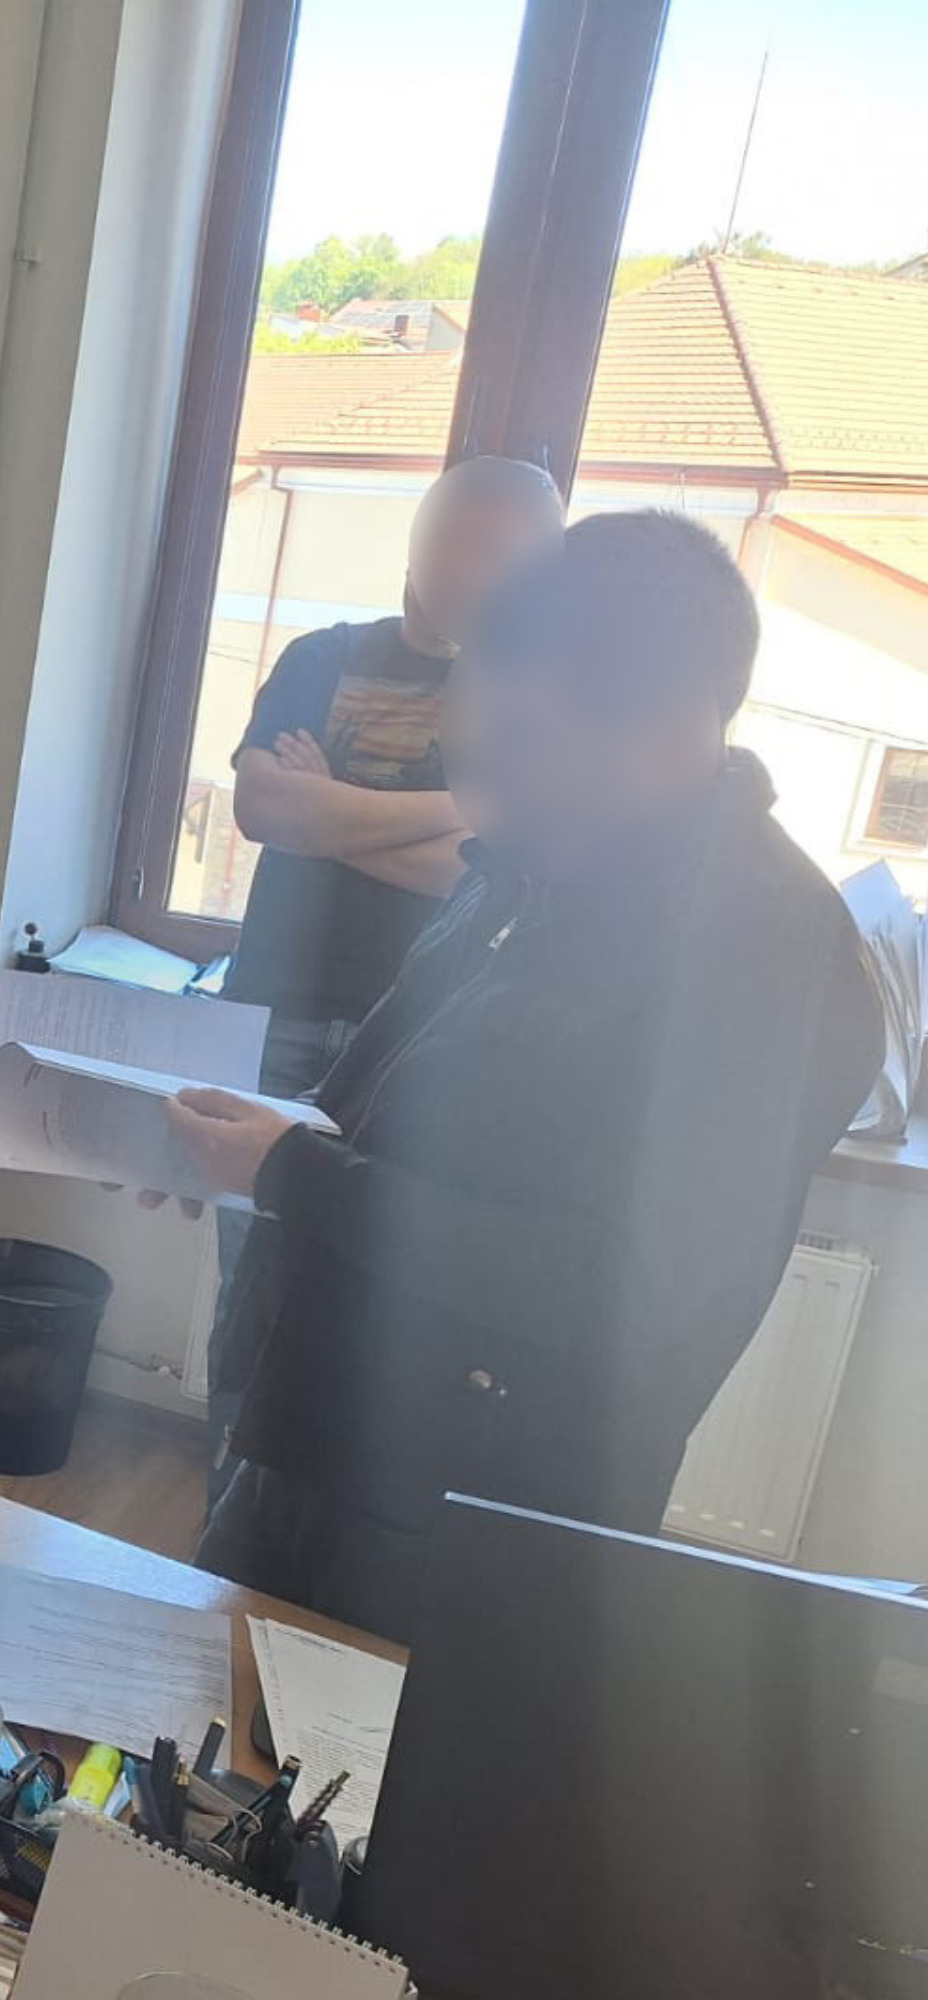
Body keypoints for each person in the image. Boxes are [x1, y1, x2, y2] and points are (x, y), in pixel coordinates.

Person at [171, 512, 882, 1644]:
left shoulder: (773, 954)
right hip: (319, 1426)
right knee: (198, 1706)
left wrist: (292, 1171)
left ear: (667, 723)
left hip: (474, 1513)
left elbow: (624, 1295)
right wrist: (242, 1143)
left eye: (526, 741)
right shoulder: (541, 858)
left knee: (358, 1753)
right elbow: (381, 1107)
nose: (492, 781)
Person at [203, 454, 566, 1494]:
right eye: (458, 535)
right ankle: (224, 1515)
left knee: (365, 1302)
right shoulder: (324, 656)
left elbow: (481, 868)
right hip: (270, 1018)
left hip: (415, 1045)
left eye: (504, 551)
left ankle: (297, 1527)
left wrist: (330, 815)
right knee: (247, 1291)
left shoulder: (523, 705)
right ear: (419, 533)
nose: (473, 565)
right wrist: (457, 810)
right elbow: (263, 809)